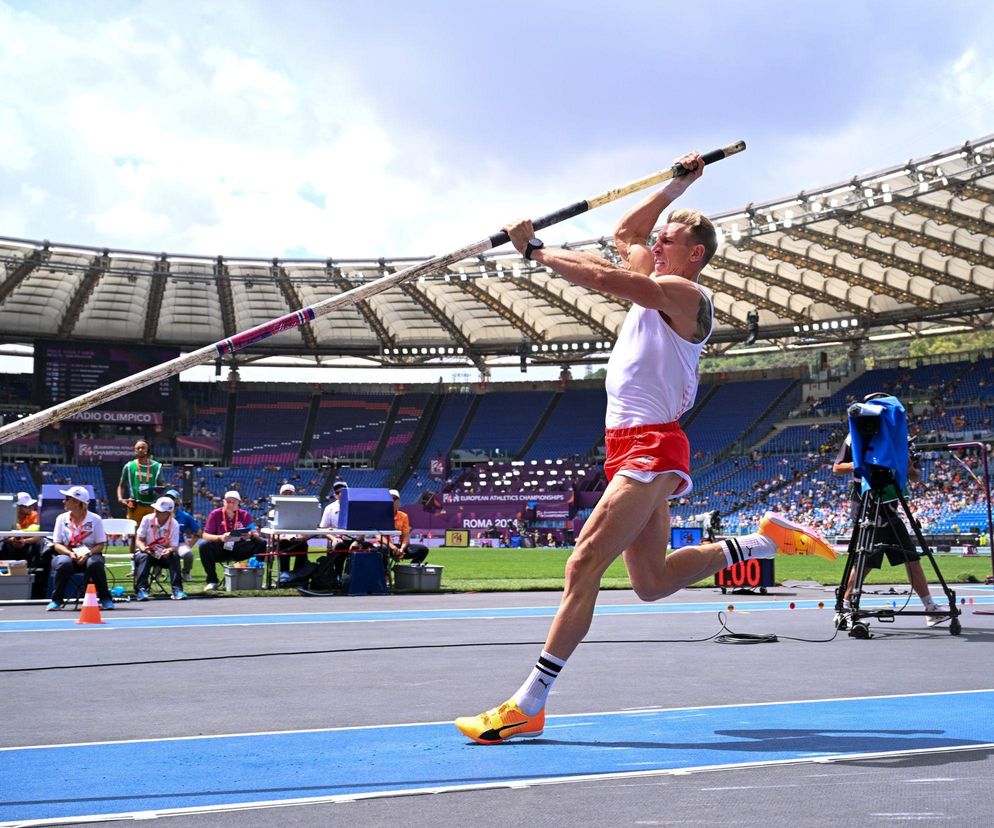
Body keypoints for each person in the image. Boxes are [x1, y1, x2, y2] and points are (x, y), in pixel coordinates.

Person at [455, 151, 837, 744]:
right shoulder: (656, 276)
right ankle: (763, 540)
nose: (655, 244)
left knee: (581, 564)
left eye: (670, 239)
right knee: (652, 581)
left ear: (695, 255)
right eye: (659, 240)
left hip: (651, 446)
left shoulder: (684, 296)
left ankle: (528, 702)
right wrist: (676, 186)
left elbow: (608, 276)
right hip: (629, 444)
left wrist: (533, 251)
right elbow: (625, 234)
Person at [832, 425, 942, 626]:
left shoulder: (899, 436)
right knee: (866, 562)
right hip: (867, 505)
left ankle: (930, 608)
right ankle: (845, 607)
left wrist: (907, 467)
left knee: (911, 558)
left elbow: (915, 476)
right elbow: (837, 468)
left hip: (890, 507)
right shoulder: (856, 436)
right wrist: (865, 463)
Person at [47, 486, 114, 611]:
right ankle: (56, 600)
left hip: (90, 555)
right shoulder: (61, 519)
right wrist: (70, 554)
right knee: (63, 563)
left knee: (95, 563)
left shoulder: (95, 519)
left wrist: (88, 554)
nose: (63, 501)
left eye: (67, 499)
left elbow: (100, 544)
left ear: (77, 502)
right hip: (68, 555)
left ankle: (105, 599)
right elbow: (57, 544)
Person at [198, 490, 266, 592]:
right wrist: (220, 537)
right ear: (223, 502)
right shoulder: (215, 514)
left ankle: (254, 576)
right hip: (221, 548)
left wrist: (250, 535)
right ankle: (212, 581)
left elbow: (255, 533)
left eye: (233, 502)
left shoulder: (244, 515)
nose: (230, 504)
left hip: (239, 548)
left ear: (239, 503)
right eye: (228, 501)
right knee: (204, 545)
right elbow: (205, 535)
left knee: (261, 542)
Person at [116, 439, 163, 559]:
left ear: (147, 450)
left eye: (143, 447)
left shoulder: (156, 466)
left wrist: (152, 488)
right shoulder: (129, 466)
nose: (141, 449)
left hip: (152, 506)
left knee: (153, 536)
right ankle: (134, 567)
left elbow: (162, 487)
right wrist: (121, 498)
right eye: (138, 448)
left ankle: (154, 565)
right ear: (135, 450)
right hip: (135, 506)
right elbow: (121, 485)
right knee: (133, 536)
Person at [134, 496, 187, 601]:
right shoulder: (147, 519)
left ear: (168, 513)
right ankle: (142, 589)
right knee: (144, 556)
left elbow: (174, 546)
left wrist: (169, 550)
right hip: (148, 553)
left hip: (164, 555)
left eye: (160, 511)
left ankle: (177, 590)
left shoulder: (174, 524)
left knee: (174, 556)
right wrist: (144, 548)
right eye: (156, 509)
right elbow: (138, 540)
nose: (156, 512)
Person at [1, 492, 49, 599]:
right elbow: (4, 536)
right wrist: (13, 539)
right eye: (28, 506)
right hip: (11, 546)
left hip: (29, 547)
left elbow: (39, 536)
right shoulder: (7, 517)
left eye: (32, 505)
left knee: (38, 544)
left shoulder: (35, 515)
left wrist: (24, 541)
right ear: (18, 507)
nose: (31, 508)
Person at [378, 489, 429, 579]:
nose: (392, 501)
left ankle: (412, 573)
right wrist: (393, 547)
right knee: (383, 549)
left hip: (400, 547)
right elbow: (378, 536)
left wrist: (401, 549)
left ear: (398, 501)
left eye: (394, 499)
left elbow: (406, 535)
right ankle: (385, 574)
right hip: (386, 546)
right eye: (390, 499)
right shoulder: (380, 515)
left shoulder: (403, 516)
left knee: (423, 549)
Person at [271, 482, 312, 578]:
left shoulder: (302, 512)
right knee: (283, 544)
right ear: (280, 495)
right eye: (285, 493)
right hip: (282, 541)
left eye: (290, 493)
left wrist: (302, 536)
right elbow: (271, 532)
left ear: (294, 495)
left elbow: (307, 530)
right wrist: (284, 537)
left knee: (303, 545)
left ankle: (298, 575)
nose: (288, 495)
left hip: (298, 541)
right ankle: (284, 575)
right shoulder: (273, 512)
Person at [318, 481, 351, 591]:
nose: (340, 494)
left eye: (343, 491)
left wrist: (357, 541)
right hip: (338, 539)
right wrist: (333, 538)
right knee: (339, 546)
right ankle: (338, 576)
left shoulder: (355, 505)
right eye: (337, 492)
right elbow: (322, 528)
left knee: (369, 549)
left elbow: (363, 528)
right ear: (335, 494)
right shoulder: (329, 508)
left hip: (354, 538)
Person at [163, 488, 201, 582]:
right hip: (162, 543)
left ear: (177, 500)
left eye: (172, 498)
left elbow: (198, 532)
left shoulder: (185, 516)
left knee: (188, 554)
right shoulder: (160, 513)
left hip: (179, 543)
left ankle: (186, 572)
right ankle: (157, 574)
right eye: (167, 497)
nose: (169, 500)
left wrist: (190, 545)